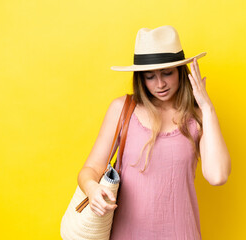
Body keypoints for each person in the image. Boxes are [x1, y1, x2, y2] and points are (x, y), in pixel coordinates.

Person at [77, 25, 231, 239]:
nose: (160, 84)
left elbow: (218, 175)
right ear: (141, 78)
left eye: (167, 73)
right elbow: (91, 168)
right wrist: (92, 189)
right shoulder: (122, 109)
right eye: (150, 76)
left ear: (180, 71)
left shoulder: (198, 116)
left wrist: (207, 108)